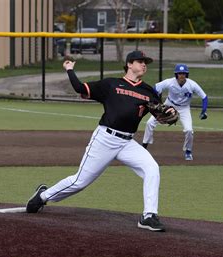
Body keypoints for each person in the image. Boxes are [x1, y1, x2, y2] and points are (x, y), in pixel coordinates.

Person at [26, 51, 172, 232]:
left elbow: (160, 114)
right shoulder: (110, 84)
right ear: (129, 64)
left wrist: (168, 114)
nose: (144, 65)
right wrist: (70, 70)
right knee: (80, 181)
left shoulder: (149, 91)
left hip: (127, 142)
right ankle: (43, 196)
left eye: (146, 62)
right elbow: (80, 88)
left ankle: (149, 216)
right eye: (140, 61)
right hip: (105, 138)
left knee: (152, 168)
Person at [142, 64, 208, 161]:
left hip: (184, 109)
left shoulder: (192, 84)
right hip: (169, 105)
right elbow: (155, 88)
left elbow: (204, 97)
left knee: (189, 130)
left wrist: (203, 111)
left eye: (184, 73)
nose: (182, 75)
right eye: (179, 73)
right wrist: (157, 103)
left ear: (187, 75)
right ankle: (144, 146)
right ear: (176, 75)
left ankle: (188, 151)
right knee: (149, 123)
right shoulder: (170, 82)